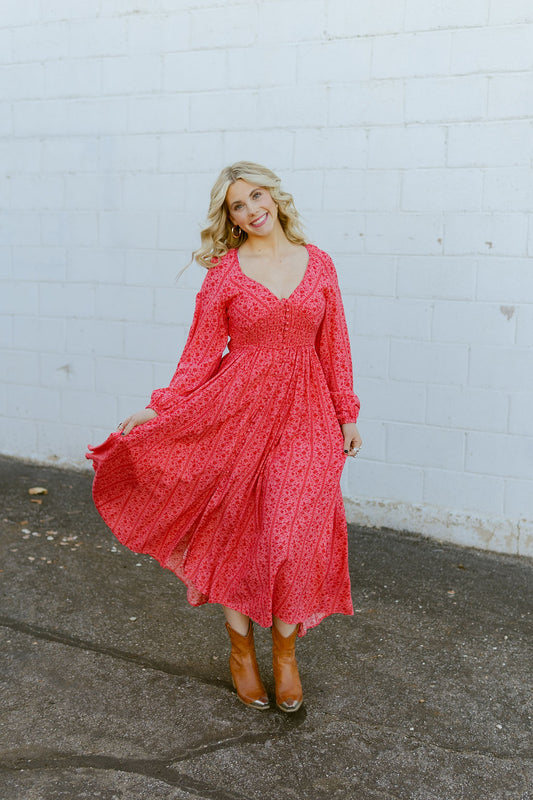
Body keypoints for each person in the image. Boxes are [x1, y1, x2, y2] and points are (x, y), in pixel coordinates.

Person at [86, 161, 362, 713]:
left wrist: (346, 412)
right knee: (235, 531)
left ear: (276, 198)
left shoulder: (321, 264)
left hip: (307, 414)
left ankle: (285, 653)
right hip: (235, 411)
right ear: (229, 218)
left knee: (292, 537)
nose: (252, 209)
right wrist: (158, 408)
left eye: (257, 196)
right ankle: (241, 649)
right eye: (238, 205)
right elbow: (199, 352)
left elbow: (334, 343)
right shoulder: (225, 273)